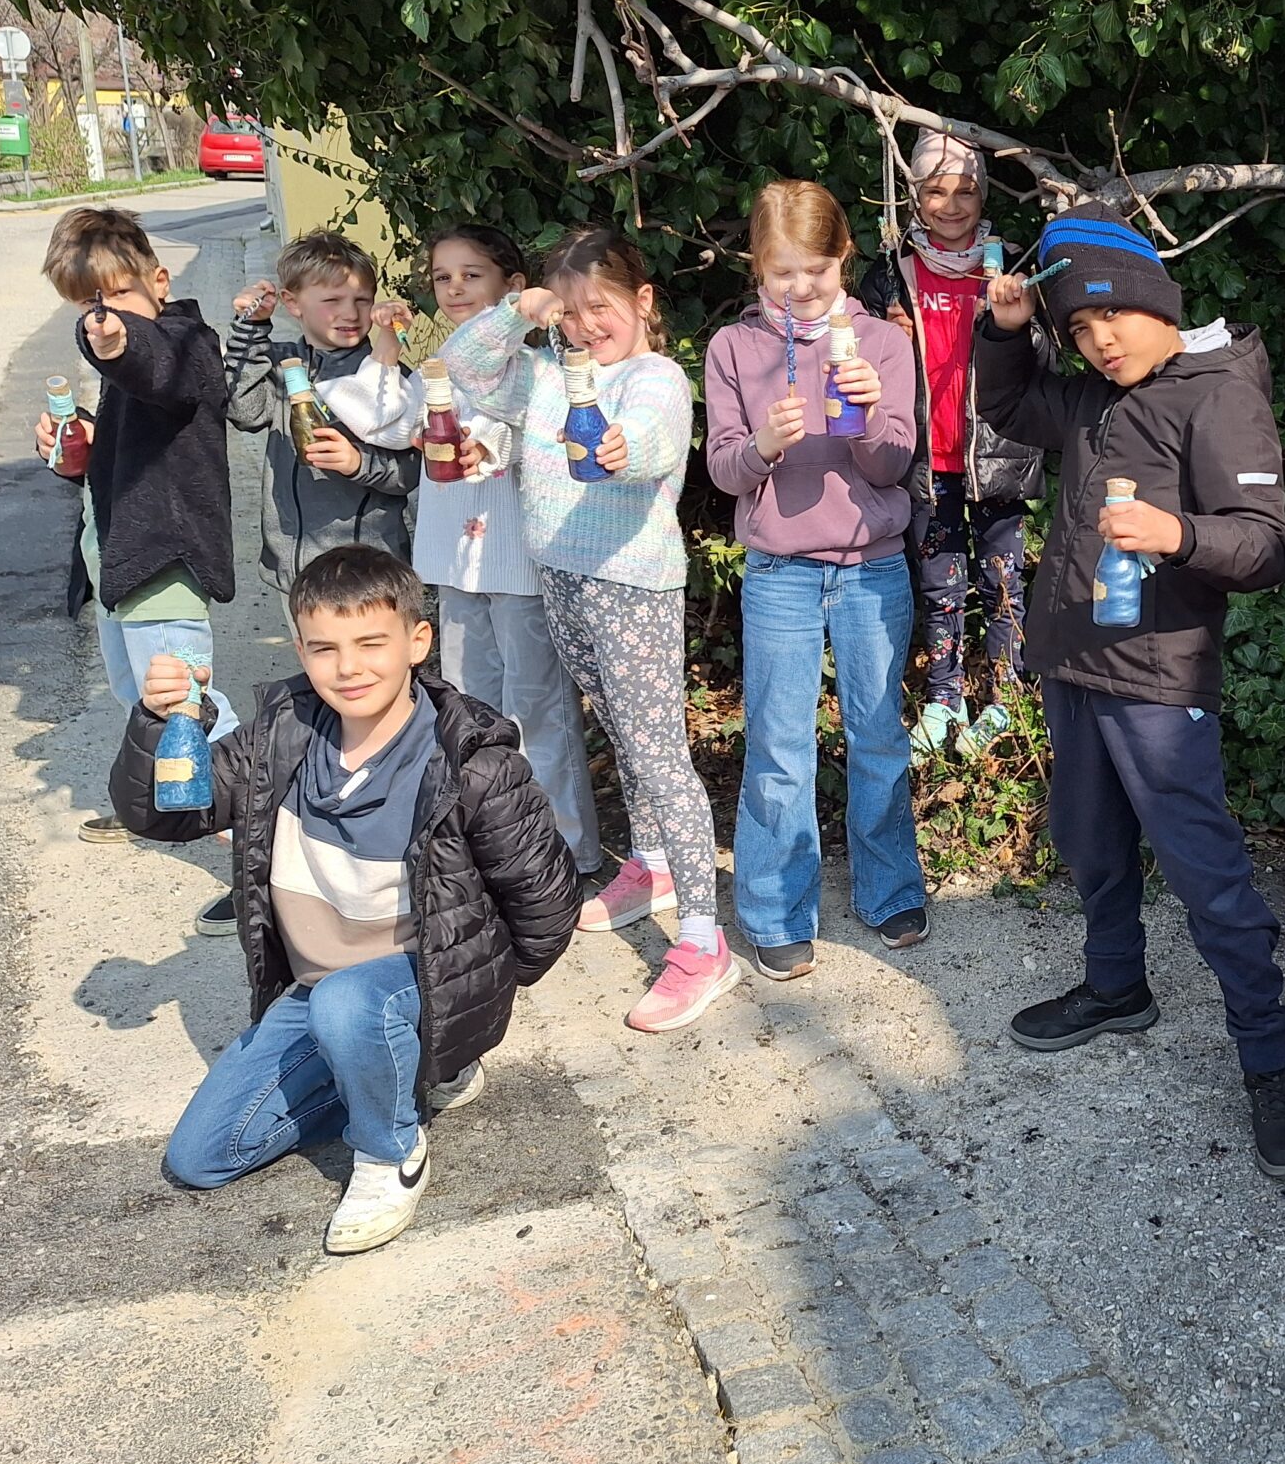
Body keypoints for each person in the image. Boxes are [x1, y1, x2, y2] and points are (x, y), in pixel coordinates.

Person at [973, 217, 1285, 1177]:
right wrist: (1005, 331)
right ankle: (1116, 986)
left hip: (1162, 678)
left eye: (1113, 318)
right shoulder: (1094, 393)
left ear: (1158, 304)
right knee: (1090, 844)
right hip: (1074, 660)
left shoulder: (1219, 395)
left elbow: (1267, 545)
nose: (1101, 342)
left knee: (1207, 876)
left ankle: (1270, 1060)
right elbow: (1009, 405)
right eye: (1081, 330)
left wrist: (1180, 535)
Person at [113, 546, 578, 1255]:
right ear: (300, 649)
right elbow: (164, 817)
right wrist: (163, 723)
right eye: (325, 648)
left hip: (417, 982)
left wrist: (466, 1004)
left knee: (349, 1004)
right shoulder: (282, 734)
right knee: (204, 1155)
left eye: (371, 644)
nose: (349, 667)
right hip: (318, 992)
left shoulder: (472, 760)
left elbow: (545, 903)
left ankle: (391, 1151)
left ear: (417, 642)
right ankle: (395, 1067)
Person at [441, 225, 733, 1032]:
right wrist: (518, 310)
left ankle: (704, 941)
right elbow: (465, 365)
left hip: (630, 585)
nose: (583, 325)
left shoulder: (654, 377)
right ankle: (652, 866)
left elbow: (653, 442)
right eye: (568, 312)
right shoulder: (542, 374)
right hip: (561, 577)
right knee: (621, 732)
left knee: (659, 755)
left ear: (642, 301)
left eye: (599, 307)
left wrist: (618, 448)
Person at [702, 179, 927, 975]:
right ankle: (774, 908)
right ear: (756, 268)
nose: (799, 288)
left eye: (816, 271)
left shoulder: (885, 342)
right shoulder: (733, 349)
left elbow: (893, 464)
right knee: (778, 745)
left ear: (843, 259)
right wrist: (762, 444)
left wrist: (867, 414)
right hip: (780, 572)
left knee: (879, 736)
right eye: (781, 273)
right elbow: (724, 470)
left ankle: (889, 889)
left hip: (872, 567)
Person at [389, 227, 600, 880]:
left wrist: (490, 445)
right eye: (442, 277)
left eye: (470, 274)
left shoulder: (534, 367)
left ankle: (565, 851)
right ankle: (493, 841)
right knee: (469, 708)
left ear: (513, 287)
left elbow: (527, 430)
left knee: (538, 711)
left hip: (519, 564)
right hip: (454, 562)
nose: (454, 288)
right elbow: (399, 423)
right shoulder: (438, 364)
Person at [37, 207, 240, 869]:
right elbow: (132, 439)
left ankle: (269, 842)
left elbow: (161, 370)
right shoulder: (123, 360)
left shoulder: (188, 342)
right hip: (119, 564)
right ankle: (166, 807)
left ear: (159, 280)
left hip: (162, 562)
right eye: (87, 303)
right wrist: (76, 446)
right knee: (145, 702)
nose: (104, 314)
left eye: (119, 294)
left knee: (188, 708)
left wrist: (117, 343)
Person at [860, 130, 1047, 760]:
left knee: (1002, 581)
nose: (951, 204)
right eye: (935, 191)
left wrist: (1014, 322)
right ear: (914, 196)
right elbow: (857, 361)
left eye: (965, 190)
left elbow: (1047, 358)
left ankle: (1005, 698)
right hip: (924, 457)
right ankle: (945, 699)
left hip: (998, 452)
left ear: (983, 195)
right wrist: (885, 338)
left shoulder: (1013, 265)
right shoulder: (892, 273)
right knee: (938, 585)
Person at [225, 232, 422, 593]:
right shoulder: (281, 364)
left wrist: (358, 462)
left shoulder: (385, 377)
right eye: (332, 300)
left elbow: (410, 473)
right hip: (293, 570)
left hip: (366, 571)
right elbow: (245, 411)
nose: (350, 313)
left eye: (362, 300)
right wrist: (250, 327)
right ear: (292, 302)